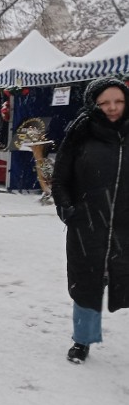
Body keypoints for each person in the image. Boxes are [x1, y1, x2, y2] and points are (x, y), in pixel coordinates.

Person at [51, 76, 129, 364]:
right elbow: (60, 179)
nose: (112, 108)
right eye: (104, 102)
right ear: (93, 104)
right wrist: (68, 210)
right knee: (87, 286)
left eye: (118, 101)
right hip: (88, 224)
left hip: (126, 227)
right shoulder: (80, 133)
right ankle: (83, 339)